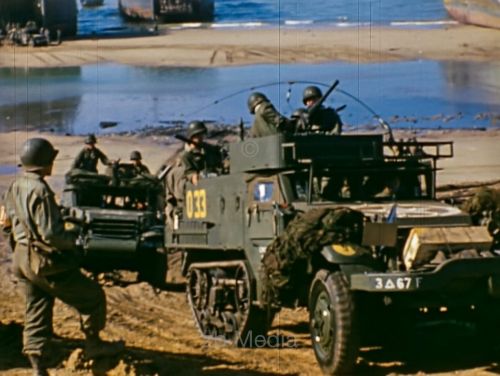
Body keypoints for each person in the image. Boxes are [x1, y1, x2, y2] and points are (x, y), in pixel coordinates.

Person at [1, 138, 124, 376]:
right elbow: (51, 235)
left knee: (36, 308)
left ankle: (38, 368)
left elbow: (7, 223)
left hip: (21, 260)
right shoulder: (40, 190)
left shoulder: (15, 186)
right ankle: (94, 345)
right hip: (43, 262)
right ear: (45, 162)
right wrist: (75, 240)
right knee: (92, 297)